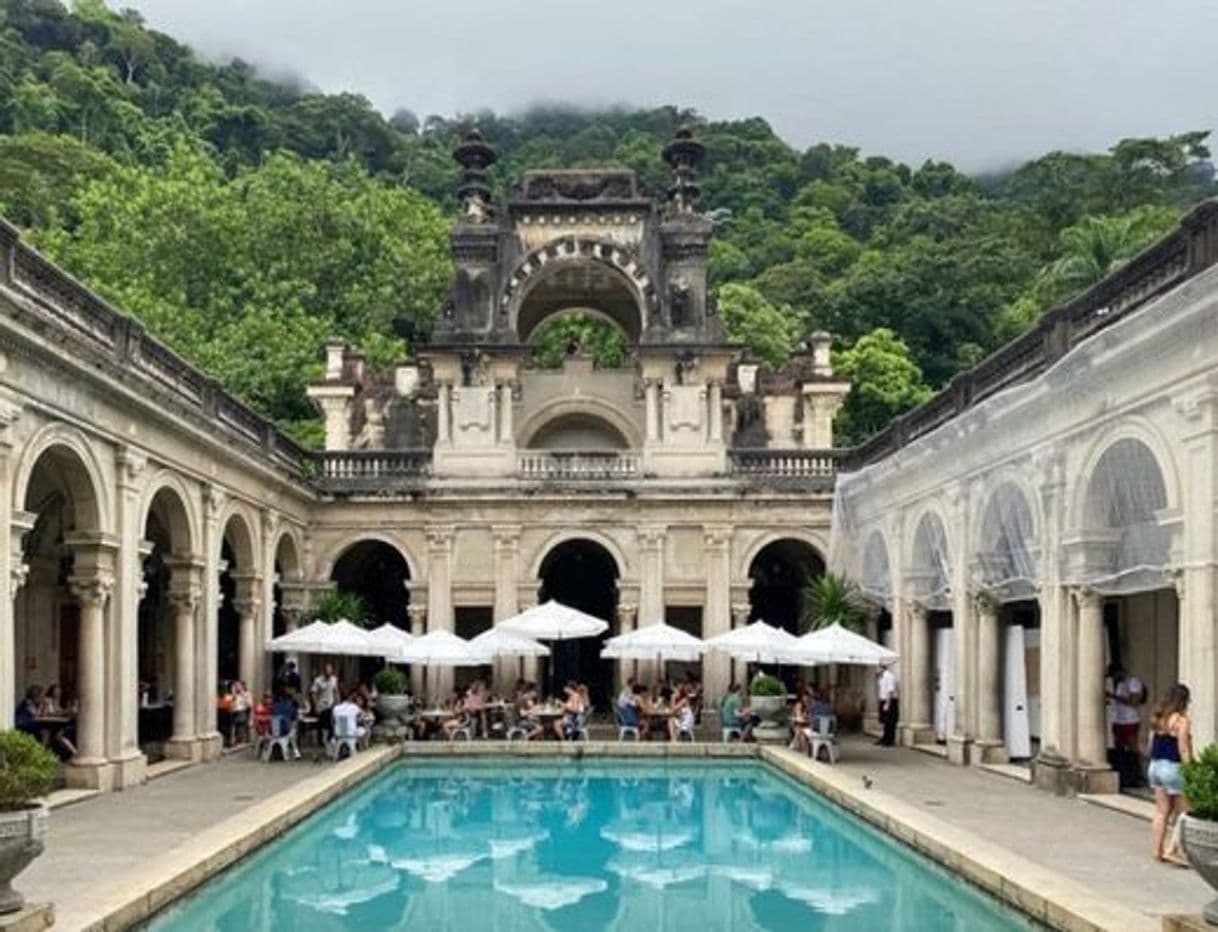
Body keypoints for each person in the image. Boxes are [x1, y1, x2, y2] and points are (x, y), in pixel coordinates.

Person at [1148, 684, 1192, 865]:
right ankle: (1172, 849)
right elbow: (1183, 748)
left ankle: (1156, 850)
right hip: (1173, 767)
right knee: (1185, 812)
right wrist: (1190, 770)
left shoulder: (1157, 718)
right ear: (1183, 701)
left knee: (1161, 811)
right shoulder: (1181, 721)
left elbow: (1150, 745)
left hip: (1155, 766)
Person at [1109, 663, 1146, 753]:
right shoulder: (1119, 684)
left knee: (1132, 747)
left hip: (1130, 720)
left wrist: (1114, 696)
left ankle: (1137, 765)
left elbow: (1134, 701)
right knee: (1118, 747)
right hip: (1118, 719)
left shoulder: (1133, 681)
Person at [311, 663, 340, 739]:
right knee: (325, 723)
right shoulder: (318, 680)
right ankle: (326, 738)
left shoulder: (334, 679)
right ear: (324, 671)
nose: (328, 672)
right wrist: (316, 705)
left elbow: (336, 692)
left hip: (331, 705)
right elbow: (313, 693)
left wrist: (338, 703)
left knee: (331, 720)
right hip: (322, 706)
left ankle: (330, 738)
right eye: (327, 671)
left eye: (330, 671)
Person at [876, 662, 899, 747]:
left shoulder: (889, 676)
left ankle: (889, 740)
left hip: (890, 700)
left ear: (882, 668)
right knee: (884, 721)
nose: (876, 670)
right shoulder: (881, 678)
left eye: (877, 668)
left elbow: (890, 691)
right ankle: (884, 738)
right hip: (883, 700)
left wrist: (887, 703)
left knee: (890, 721)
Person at [229, 680, 252, 746]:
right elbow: (231, 706)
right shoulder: (234, 695)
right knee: (233, 726)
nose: (237, 687)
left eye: (238, 686)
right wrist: (234, 695)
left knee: (240, 728)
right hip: (234, 712)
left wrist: (242, 694)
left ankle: (240, 740)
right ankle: (233, 741)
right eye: (235, 686)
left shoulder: (247, 694)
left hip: (242, 712)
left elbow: (249, 705)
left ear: (242, 686)